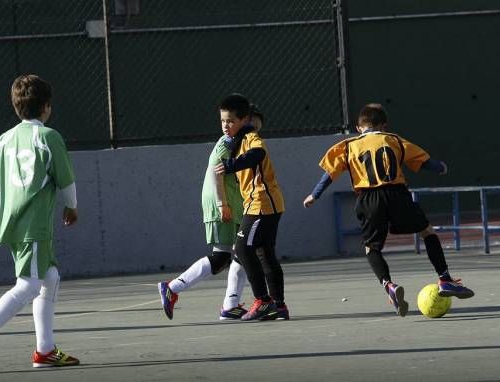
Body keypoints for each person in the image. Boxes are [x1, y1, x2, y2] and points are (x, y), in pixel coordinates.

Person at [303, 103, 474, 317]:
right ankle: (445, 279)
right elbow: (425, 162)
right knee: (427, 232)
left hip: (367, 199)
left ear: (358, 127)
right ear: (384, 125)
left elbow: (329, 173)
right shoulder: (394, 140)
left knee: (371, 248)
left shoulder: (347, 146)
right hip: (397, 194)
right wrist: (441, 167)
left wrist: (314, 195)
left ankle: (388, 285)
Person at [0, 74, 80, 372]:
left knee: (49, 277)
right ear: (47, 107)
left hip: (12, 223)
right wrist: (72, 207)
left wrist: (16, 194)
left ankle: (45, 350)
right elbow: (66, 180)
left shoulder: (5, 138)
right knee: (29, 284)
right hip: (34, 225)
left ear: (16, 107)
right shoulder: (49, 137)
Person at [157, 105, 264, 321]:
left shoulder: (241, 141)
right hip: (222, 203)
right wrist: (221, 204)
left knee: (238, 253)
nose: (253, 131)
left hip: (231, 203)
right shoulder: (228, 142)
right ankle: (172, 288)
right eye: (251, 126)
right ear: (243, 121)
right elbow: (217, 171)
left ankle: (230, 305)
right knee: (223, 256)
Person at [215, 94, 288, 321]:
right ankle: (278, 305)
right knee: (265, 254)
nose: (226, 126)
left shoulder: (250, 138)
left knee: (242, 249)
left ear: (244, 120)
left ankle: (263, 301)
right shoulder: (237, 140)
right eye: (223, 121)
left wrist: (231, 165)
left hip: (261, 204)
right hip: (264, 203)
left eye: (231, 121)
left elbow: (258, 154)